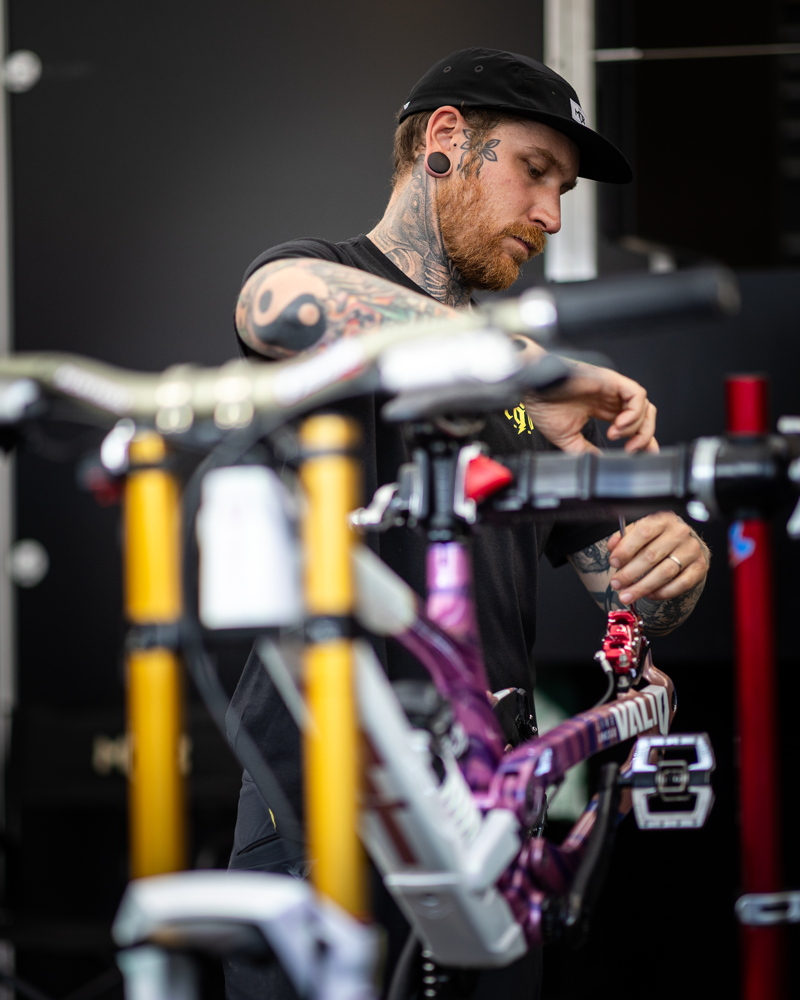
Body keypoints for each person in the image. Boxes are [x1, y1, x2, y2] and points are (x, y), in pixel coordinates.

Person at [224, 48, 711, 1000]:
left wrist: (669, 563)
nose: (551, 215)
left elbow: (631, 594)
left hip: (490, 819)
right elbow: (272, 305)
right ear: (445, 139)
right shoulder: (333, 282)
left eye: (563, 190)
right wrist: (518, 364)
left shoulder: (524, 399)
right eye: (535, 170)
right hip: (326, 805)